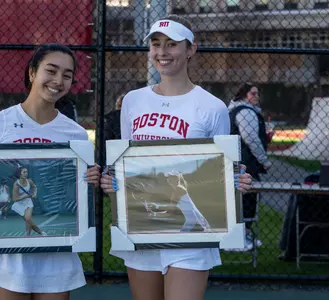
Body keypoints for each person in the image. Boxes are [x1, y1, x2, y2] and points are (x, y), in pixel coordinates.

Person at [100, 15, 253, 300]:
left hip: (189, 234)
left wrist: (235, 181)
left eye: (171, 44)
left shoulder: (212, 107)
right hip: (142, 223)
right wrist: (111, 181)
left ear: (191, 49)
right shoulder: (132, 100)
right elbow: (122, 163)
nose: (162, 52)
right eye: (156, 44)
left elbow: (220, 169)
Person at [0, 44, 101, 299]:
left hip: (56, 253)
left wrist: (89, 182)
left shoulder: (75, 133)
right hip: (7, 255)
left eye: (67, 75)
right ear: (32, 72)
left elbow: (72, 196)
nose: (58, 80)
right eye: (51, 71)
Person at [228, 82, 272, 251]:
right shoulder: (246, 112)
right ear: (244, 95)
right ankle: (241, 236)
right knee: (247, 198)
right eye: (253, 93)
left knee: (239, 198)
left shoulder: (233, 110)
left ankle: (240, 235)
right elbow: (250, 138)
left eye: (257, 93)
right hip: (246, 161)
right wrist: (264, 160)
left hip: (235, 159)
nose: (256, 97)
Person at [11, 166, 43, 235]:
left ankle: (31, 235)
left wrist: (35, 193)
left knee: (28, 219)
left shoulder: (29, 181)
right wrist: (26, 196)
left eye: (26, 172)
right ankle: (38, 232)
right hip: (19, 204)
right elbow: (14, 199)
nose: (26, 174)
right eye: (24, 172)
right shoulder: (16, 185)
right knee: (28, 221)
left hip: (28, 202)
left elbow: (34, 187)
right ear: (20, 174)